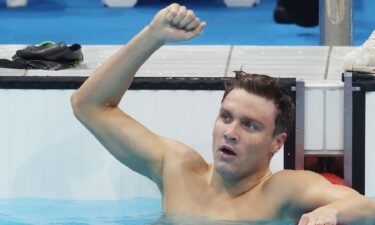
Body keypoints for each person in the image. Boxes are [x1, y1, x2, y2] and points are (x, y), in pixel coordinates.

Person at [71, 3, 375, 224]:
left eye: (250, 125)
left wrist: (333, 211)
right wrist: (152, 36)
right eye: (226, 117)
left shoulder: (280, 191)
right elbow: (89, 106)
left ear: (276, 143)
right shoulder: (177, 169)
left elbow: (365, 208)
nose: (231, 132)